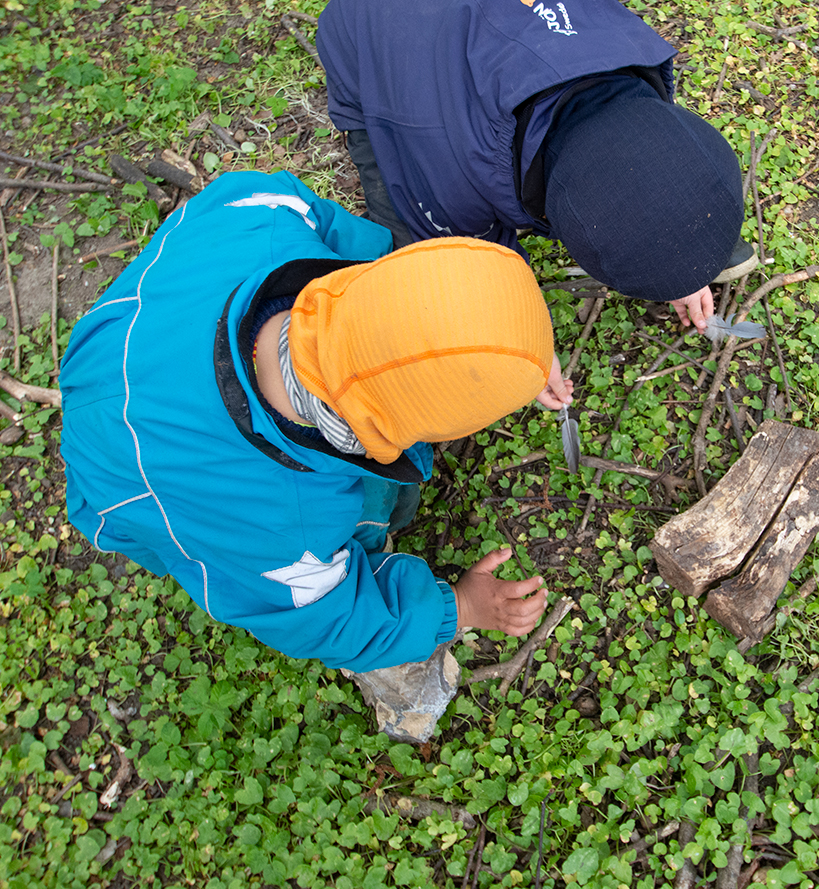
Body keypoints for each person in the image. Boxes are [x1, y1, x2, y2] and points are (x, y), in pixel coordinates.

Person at [59, 170, 570, 671]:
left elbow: (361, 262)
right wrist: (460, 608)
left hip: (130, 340)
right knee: (372, 510)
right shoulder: (284, 528)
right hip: (124, 482)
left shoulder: (269, 218)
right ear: (390, 428)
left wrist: (514, 347)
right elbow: (332, 620)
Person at [315, 0, 755, 334]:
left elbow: (655, 158)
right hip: (370, 14)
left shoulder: (631, 48)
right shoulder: (449, 176)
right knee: (426, 253)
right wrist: (520, 331)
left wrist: (679, 264)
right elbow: (477, 260)